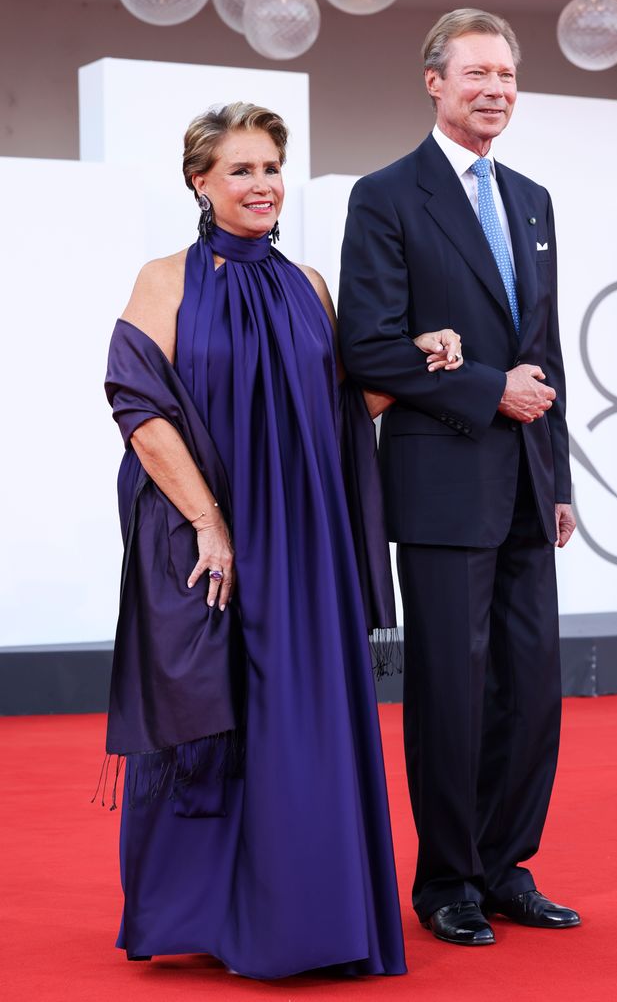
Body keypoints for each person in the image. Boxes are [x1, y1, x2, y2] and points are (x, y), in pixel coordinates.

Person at [102, 101, 415, 979]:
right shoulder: (165, 279)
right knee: (213, 718)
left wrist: (419, 361)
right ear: (200, 183)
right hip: (210, 538)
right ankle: (201, 911)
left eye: (271, 168)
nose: (261, 185)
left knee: (300, 724)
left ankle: (307, 917)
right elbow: (138, 406)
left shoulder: (311, 284)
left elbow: (341, 408)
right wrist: (210, 524)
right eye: (240, 170)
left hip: (305, 542)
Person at [338, 9, 580, 947]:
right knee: (450, 689)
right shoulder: (386, 196)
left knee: (532, 686)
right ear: (432, 82)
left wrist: (555, 476)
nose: (496, 89)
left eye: (508, 76)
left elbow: (544, 350)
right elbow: (368, 347)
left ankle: (504, 864)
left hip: (525, 479)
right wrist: (489, 392)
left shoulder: (531, 198)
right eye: (477, 72)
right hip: (442, 485)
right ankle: (444, 881)